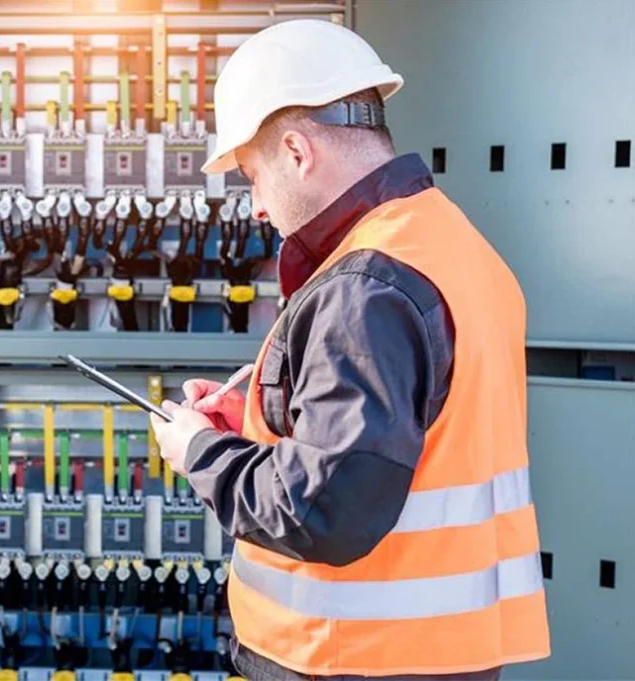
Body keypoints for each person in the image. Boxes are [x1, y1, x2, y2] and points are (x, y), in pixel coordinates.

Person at [150, 19, 551, 681]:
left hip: (348, 656)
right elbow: (416, 440)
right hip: (440, 652)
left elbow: (324, 510)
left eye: (252, 176)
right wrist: (254, 424)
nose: (256, 207)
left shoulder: (364, 287)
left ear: (297, 152)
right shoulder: (451, 244)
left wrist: (200, 453)